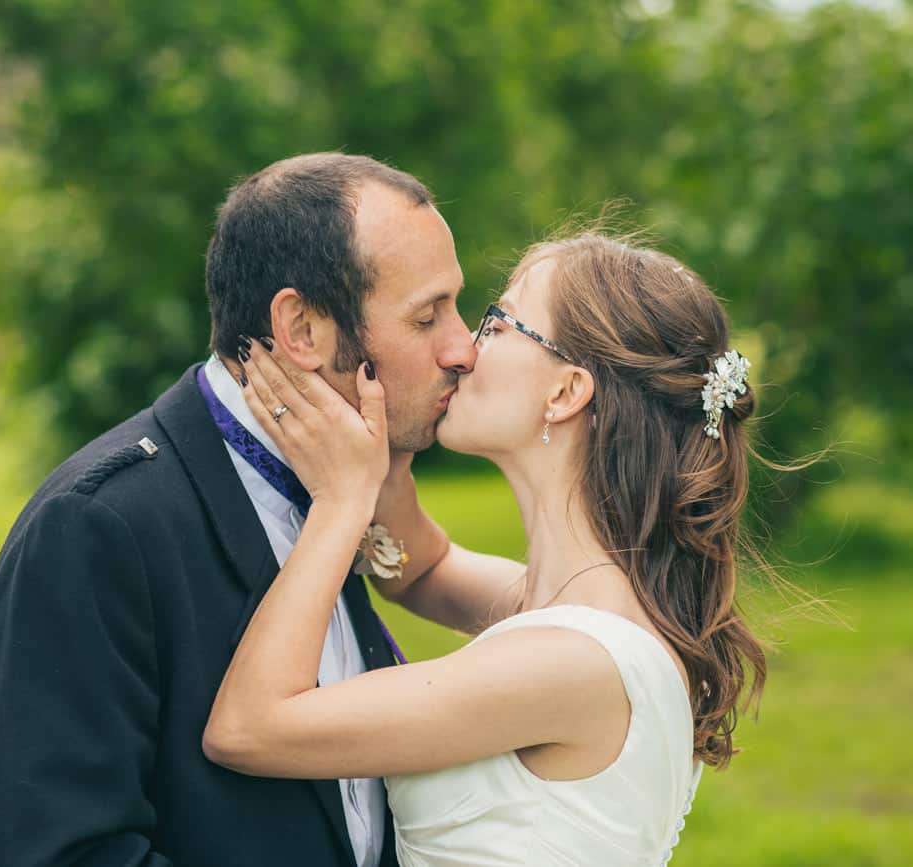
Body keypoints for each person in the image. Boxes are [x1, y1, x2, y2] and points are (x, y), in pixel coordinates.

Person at [0, 152, 476, 866]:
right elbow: (62, 853)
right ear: (300, 329)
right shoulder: (97, 529)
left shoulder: (347, 479)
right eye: (427, 317)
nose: (464, 348)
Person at [203, 232, 767, 866]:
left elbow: (248, 729)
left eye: (499, 323)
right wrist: (387, 451)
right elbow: (420, 572)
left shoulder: (571, 663)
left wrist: (340, 503)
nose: (463, 349)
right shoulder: (578, 608)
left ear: (564, 393)